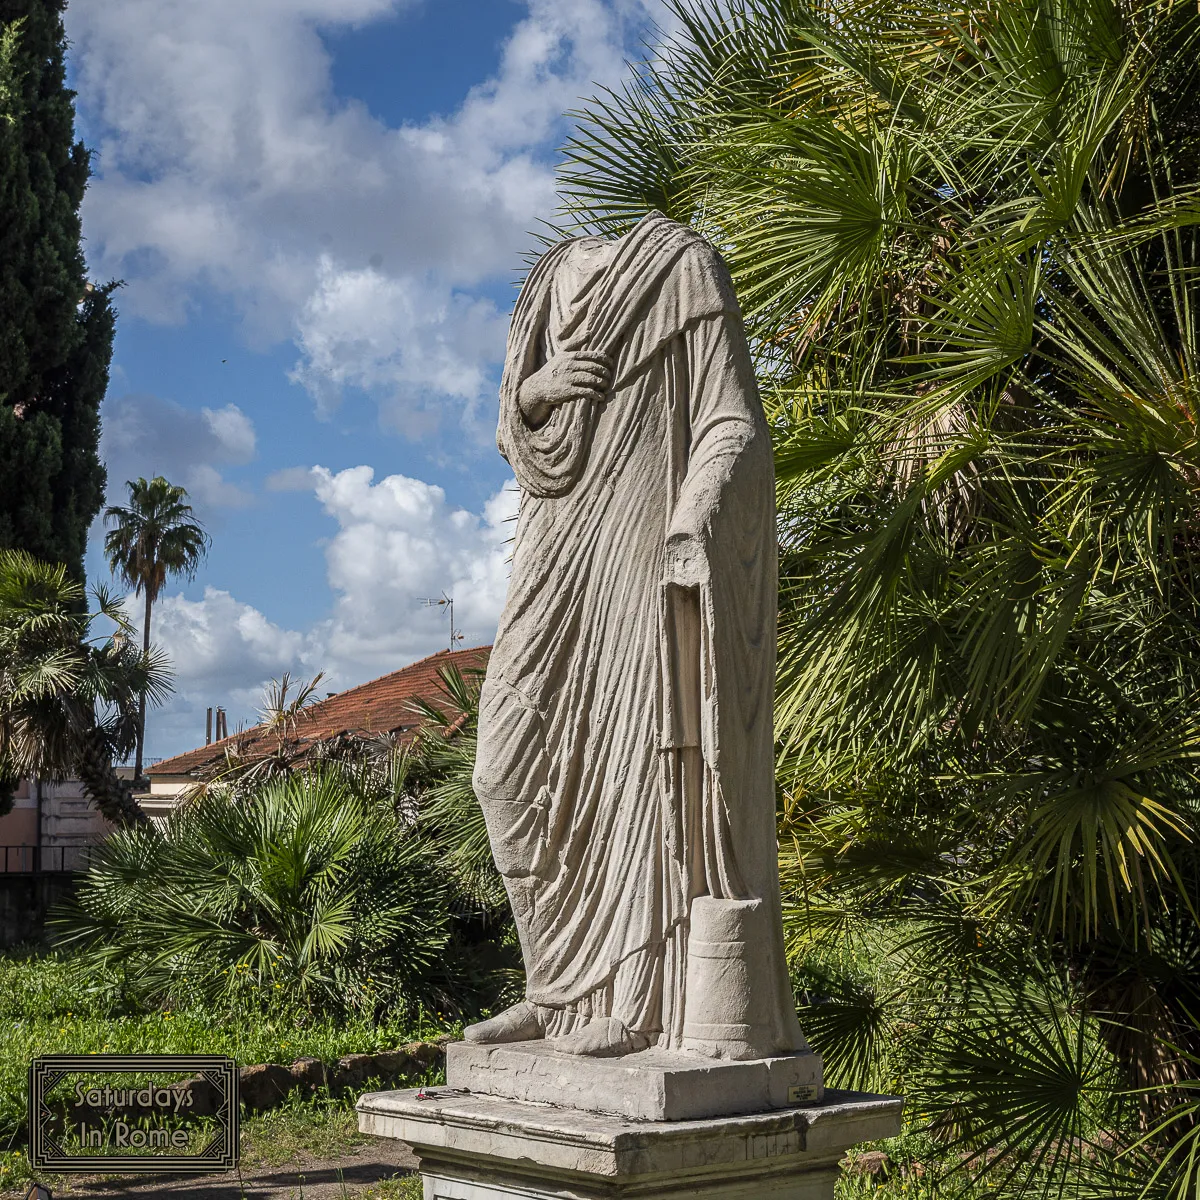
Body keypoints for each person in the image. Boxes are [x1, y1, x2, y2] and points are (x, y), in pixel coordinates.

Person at [467, 212, 804, 1059]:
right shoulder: (545, 281)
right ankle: (552, 989)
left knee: (643, 761)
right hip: (555, 545)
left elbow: (732, 419)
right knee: (503, 774)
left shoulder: (684, 265)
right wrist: (537, 392)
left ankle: (638, 1000)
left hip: (643, 541)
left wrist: (696, 518)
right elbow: (515, 429)